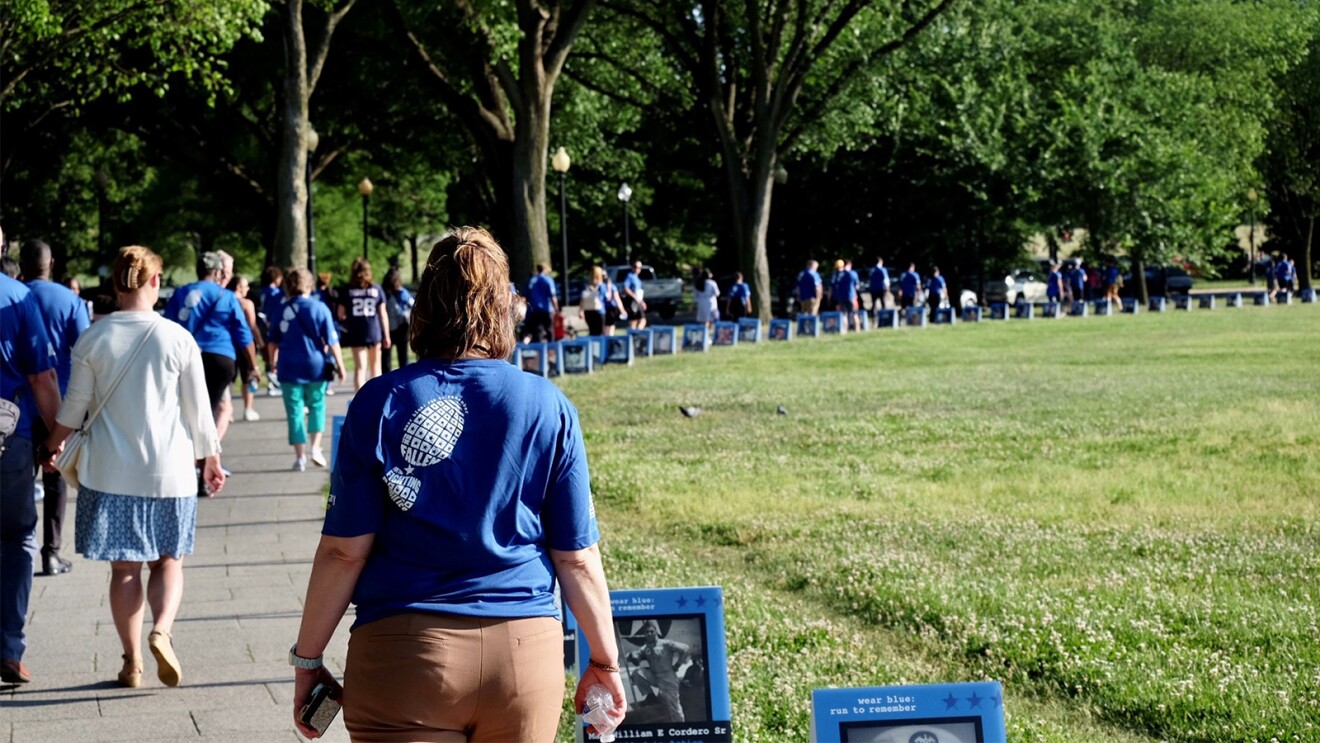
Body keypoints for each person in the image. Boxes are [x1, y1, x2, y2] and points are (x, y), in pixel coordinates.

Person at [289, 227, 626, 742]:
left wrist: (308, 659)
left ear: (424, 306)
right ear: (505, 306)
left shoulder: (380, 401)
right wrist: (605, 660)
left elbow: (343, 553)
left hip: (404, 652)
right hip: (523, 652)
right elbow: (576, 557)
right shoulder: (548, 405)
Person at [39, 245, 225, 690]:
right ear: (156, 282)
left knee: (124, 571)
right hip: (172, 472)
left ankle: (132, 662)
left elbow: (74, 407)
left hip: (109, 474)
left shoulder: (93, 339)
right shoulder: (178, 338)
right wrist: (212, 460)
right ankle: (162, 629)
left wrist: (52, 446)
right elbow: (199, 412)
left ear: (117, 285)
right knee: (168, 562)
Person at [1, 227, 61, 686]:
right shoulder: (18, 297)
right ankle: (8, 646)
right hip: (8, 433)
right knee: (18, 535)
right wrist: (56, 438)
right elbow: (42, 376)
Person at [19, 239, 90, 577]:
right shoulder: (69, 300)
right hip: (57, 405)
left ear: (20, 263)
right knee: (55, 480)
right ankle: (51, 552)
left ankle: (17, 547)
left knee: (16, 480)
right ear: (53, 264)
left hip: (14, 406)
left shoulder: (11, 296)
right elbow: (86, 350)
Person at [164, 251, 260, 447]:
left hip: (186, 358)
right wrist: (253, 365)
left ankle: (197, 456)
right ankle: (205, 455)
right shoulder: (226, 296)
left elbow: (167, 328)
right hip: (219, 359)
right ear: (217, 272)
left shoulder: (180, 293)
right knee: (213, 408)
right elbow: (244, 335)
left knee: (190, 409)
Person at [266, 268, 346, 471]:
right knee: (317, 405)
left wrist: (272, 362)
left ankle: (300, 457)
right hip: (315, 366)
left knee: (294, 411)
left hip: (288, 365)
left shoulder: (281, 309)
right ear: (310, 285)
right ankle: (316, 448)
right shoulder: (320, 308)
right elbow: (332, 340)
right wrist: (341, 366)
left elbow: (272, 341)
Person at [337, 258, 391, 392]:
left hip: (356, 332)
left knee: (360, 368)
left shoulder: (347, 290)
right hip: (374, 331)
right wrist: (387, 335)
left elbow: (340, 314)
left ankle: (360, 400)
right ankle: (377, 397)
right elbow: (382, 314)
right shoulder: (376, 289)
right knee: (375, 367)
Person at [625, 619, 692, 722]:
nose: (649, 634)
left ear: (656, 632)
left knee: (674, 707)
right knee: (637, 673)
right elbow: (634, 656)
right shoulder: (645, 648)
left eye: (651, 631)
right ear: (644, 635)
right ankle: (650, 696)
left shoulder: (666, 644)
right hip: (655, 677)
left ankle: (680, 728)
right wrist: (632, 655)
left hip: (668, 678)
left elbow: (686, 649)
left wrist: (677, 665)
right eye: (647, 632)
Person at [225, 275, 265, 422]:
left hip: (228, 343)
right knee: (248, 377)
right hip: (245, 344)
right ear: (238, 287)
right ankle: (248, 408)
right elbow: (253, 327)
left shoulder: (224, 302)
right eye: (246, 286)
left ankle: (227, 410)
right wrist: (260, 343)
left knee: (229, 379)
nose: (248, 289)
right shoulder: (246, 303)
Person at [382, 267, 414, 372]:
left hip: (387, 328)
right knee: (403, 356)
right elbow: (413, 305)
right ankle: (403, 377)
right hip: (402, 327)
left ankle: (386, 379)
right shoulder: (402, 292)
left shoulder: (383, 293)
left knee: (386, 357)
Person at [259, 266, 285, 396]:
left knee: (267, 354)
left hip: (263, 323)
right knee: (274, 353)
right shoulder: (274, 293)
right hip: (270, 323)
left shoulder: (263, 291)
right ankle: (274, 381)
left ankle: (271, 381)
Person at [523, 263, 559, 342]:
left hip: (534, 309)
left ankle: (539, 350)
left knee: (537, 330)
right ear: (545, 269)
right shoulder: (548, 280)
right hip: (546, 308)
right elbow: (553, 295)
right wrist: (556, 307)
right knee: (549, 329)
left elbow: (526, 295)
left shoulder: (531, 280)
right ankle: (551, 349)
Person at [580, 265, 608, 336]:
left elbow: (583, 298)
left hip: (588, 311)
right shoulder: (601, 285)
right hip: (599, 311)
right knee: (600, 332)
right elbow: (607, 297)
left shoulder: (587, 285)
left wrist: (581, 310)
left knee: (592, 332)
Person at [834, 260, 860, 330]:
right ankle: (857, 330)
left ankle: (845, 330)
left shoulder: (838, 274)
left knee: (844, 314)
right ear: (849, 265)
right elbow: (857, 286)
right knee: (855, 313)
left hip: (841, 297)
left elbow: (835, 285)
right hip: (851, 296)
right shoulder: (852, 273)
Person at [622, 261, 647, 330]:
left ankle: (636, 334)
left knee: (641, 319)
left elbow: (639, 292)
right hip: (632, 301)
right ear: (632, 267)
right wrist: (634, 297)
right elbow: (626, 288)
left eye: (639, 268)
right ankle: (634, 335)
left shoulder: (638, 278)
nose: (637, 269)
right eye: (635, 267)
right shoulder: (630, 276)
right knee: (635, 320)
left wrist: (642, 302)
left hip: (638, 300)